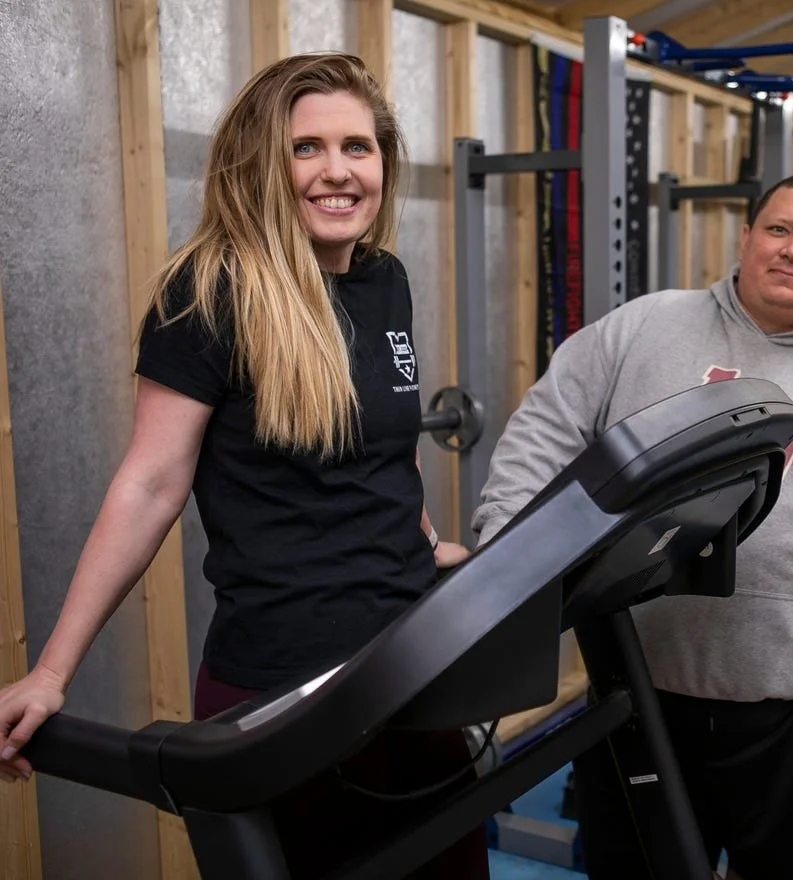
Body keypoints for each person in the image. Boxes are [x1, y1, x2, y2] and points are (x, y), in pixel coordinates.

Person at [0, 53, 488, 878]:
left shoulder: (385, 280)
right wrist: (52, 672)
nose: (338, 171)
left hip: (410, 657)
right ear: (261, 164)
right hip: (284, 686)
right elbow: (149, 485)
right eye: (306, 148)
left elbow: (387, 443)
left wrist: (425, 538)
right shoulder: (207, 294)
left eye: (358, 147)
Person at [473, 172, 793, 879]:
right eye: (778, 229)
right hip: (634, 693)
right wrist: (504, 554)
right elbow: (546, 429)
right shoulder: (643, 329)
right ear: (745, 238)